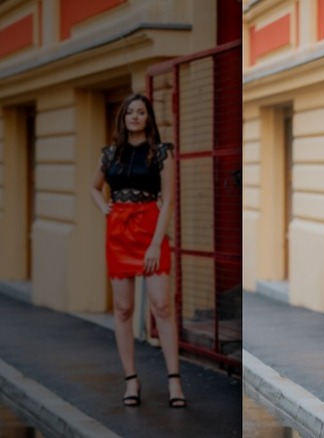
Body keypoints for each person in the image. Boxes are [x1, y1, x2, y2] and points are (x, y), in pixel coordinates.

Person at [90, 93, 186, 408]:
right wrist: (105, 208)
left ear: (148, 118)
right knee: (123, 309)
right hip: (118, 233)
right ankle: (131, 380)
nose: (134, 116)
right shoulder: (110, 154)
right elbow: (93, 187)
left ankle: (174, 381)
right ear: (123, 118)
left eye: (140, 112)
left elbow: (168, 200)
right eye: (129, 112)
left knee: (162, 305)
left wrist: (156, 243)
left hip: (150, 229)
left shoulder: (161, 152)